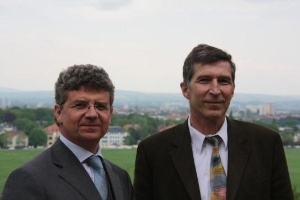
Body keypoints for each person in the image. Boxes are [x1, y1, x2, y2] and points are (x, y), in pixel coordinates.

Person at [133, 44, 294, 200]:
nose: (216, 90)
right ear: (185, 89)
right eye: (205, 80)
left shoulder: (266, 144)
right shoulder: (153, 152)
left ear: (232, 89)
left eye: (224, 81)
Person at [1, 64, 134, 200]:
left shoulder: (120, 177)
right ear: (59, 113)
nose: (92, 114)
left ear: (110, 113)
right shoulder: (29, 179)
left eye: (100, 106)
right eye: (80, 105)